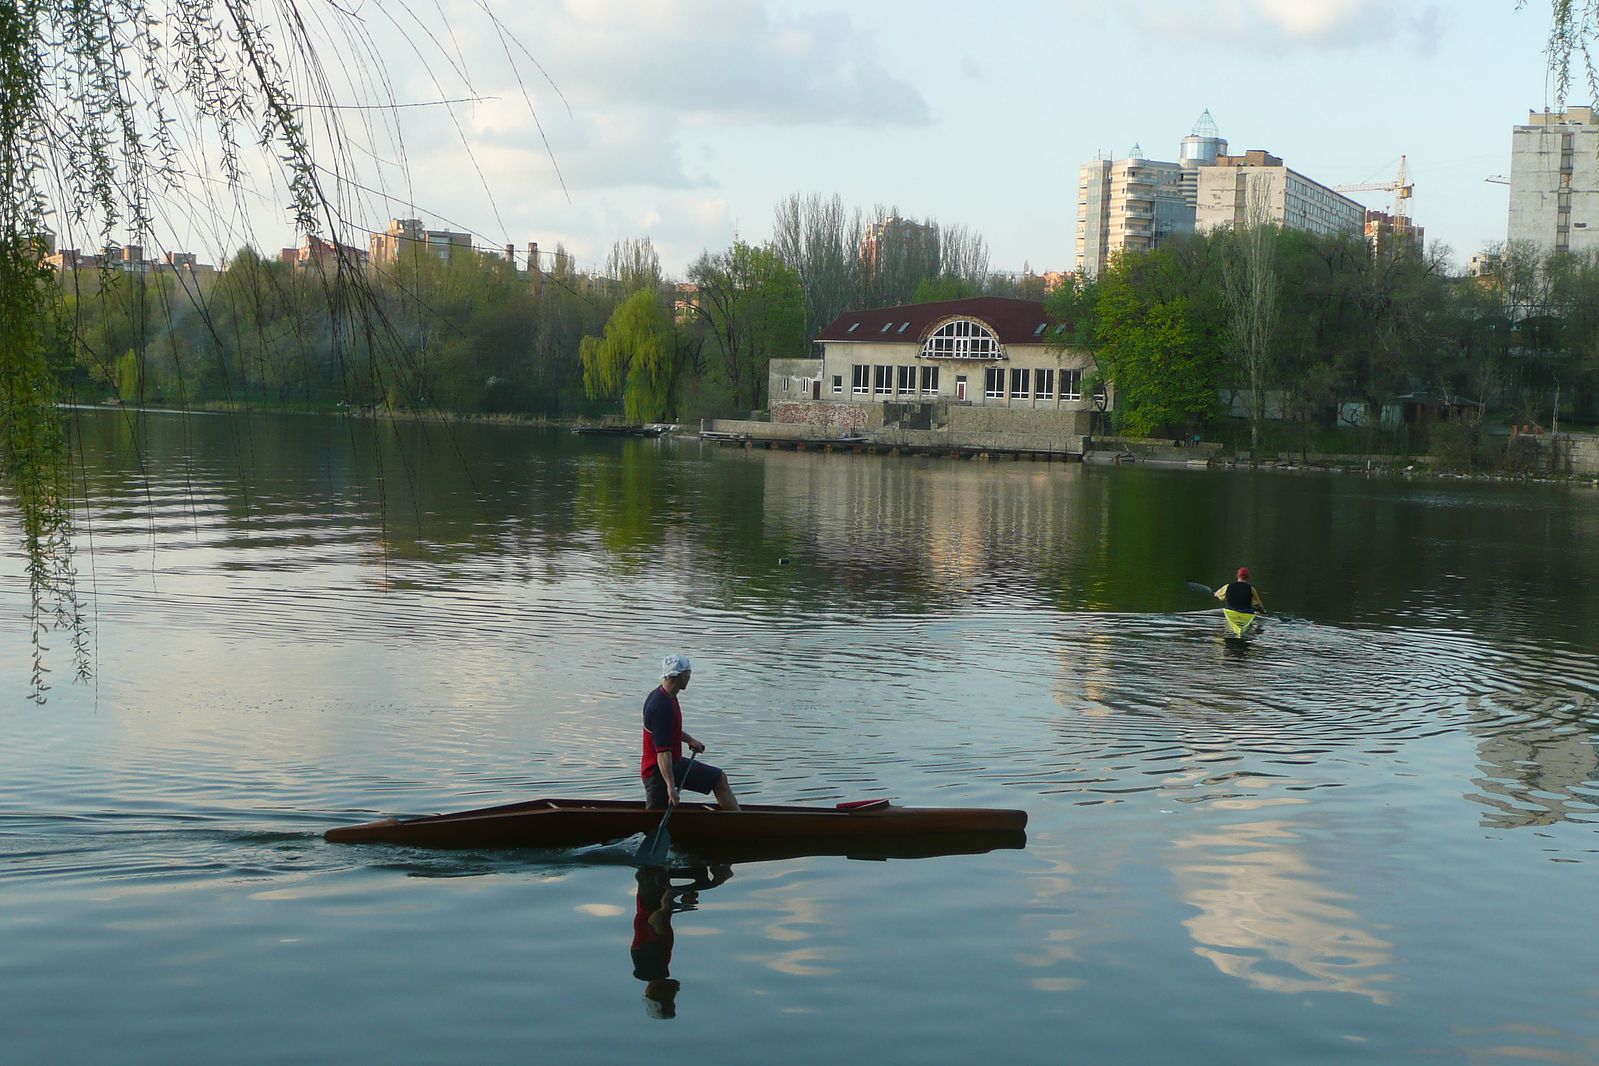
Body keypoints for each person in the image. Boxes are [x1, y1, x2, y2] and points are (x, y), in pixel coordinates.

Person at [642, 654, 740, 811]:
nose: (690, 676)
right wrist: (671, 787)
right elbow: (662, 753)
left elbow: (668, 730)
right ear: (680, 676)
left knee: (719, 779)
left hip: (673, 763)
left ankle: (739, 824)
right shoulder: (660, 706)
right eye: (689, 673)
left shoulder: (667, 696)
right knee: (653, 821)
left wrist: (689, 740)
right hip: (658, 773)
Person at [1214, 567, 1267, 638]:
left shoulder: (1227, 586)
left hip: (1231, 612)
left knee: (1220, 632)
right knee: (1258, 626)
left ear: (1237, 576)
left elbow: (1219, 597)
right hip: (1247, 614)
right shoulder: (1251, 588)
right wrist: (1263, 611)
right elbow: (1258, 604)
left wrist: (1215, 594)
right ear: (1248, 577)